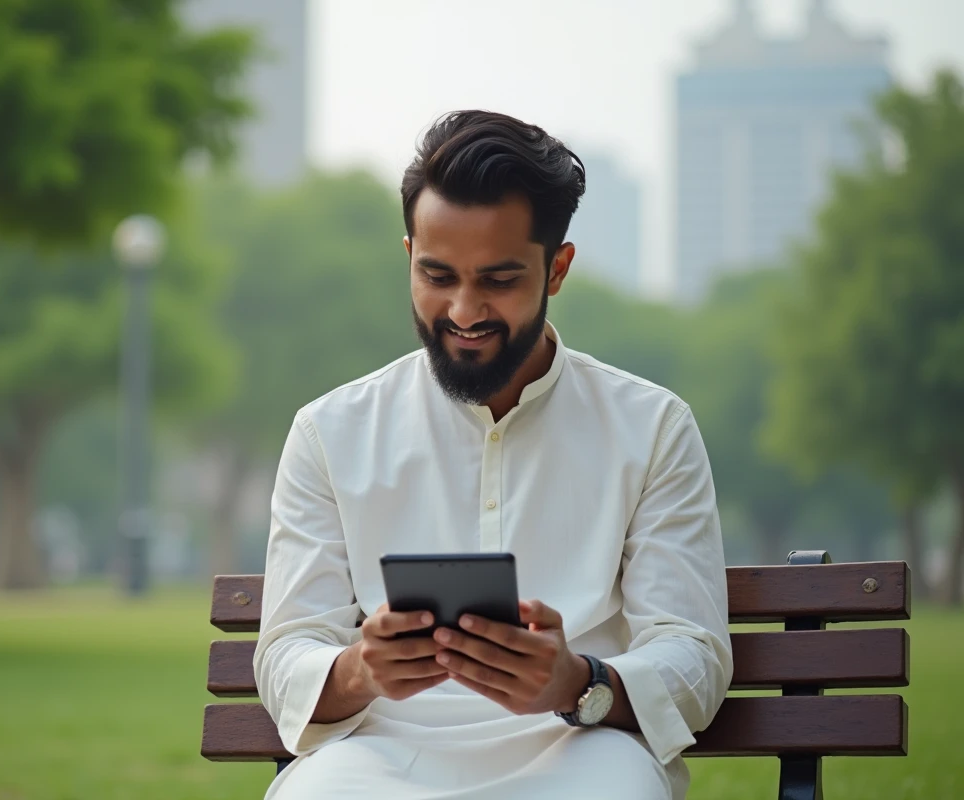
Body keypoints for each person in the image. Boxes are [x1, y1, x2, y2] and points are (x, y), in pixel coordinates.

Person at [253, 110, 732, 800]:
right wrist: (362, 669)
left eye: (499, 280)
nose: (464, 310)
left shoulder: (652, 429)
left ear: (556, 269)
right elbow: (286, 653)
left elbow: (694, 656)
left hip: (583, 748)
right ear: (408, 256)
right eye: (437, 275)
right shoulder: (329, 431)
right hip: (377, 755)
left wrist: (578, 682)